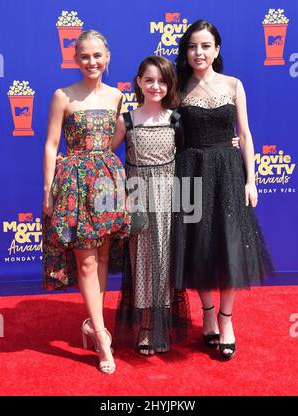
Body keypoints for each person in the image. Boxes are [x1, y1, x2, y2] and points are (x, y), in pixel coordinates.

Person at [173, 20, 273, 359]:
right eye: (192, 46)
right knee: (197, 246)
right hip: (189, 173)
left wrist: (251, 179)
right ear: (185, 52)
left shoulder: (233, 84)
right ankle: (206, 314)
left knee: (231, 246)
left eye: (205, 46)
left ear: (216, 50)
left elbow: (244, 135)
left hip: (229, 173)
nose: (198, 52)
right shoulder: (177, 87)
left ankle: (226, 319)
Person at [42, 30, 130, 374]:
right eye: (84, 56)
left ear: (107, 57)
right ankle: (102, 336)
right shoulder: (62, 96)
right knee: (87, 263)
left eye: (97, 56)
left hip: (107, 182)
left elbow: (120, 134)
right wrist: (47, 188)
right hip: (74, 185)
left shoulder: (117, 97)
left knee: (104, 254)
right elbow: (51, 144)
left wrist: (103, 160)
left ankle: (94, 324)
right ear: (74, 59)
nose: (91, 62)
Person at [113, 56, 191, 355]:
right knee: (142, 260)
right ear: (138, 82)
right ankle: (146, 325)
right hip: (138, 200)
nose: (155, 86)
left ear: (169, 84)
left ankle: (162, 322)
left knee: (165, 260)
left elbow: (190, 155)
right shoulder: (128, 120)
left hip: (171, 199)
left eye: (162, 81)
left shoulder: (176, 119)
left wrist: (231, 143)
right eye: (149, 80)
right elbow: (106, 157)